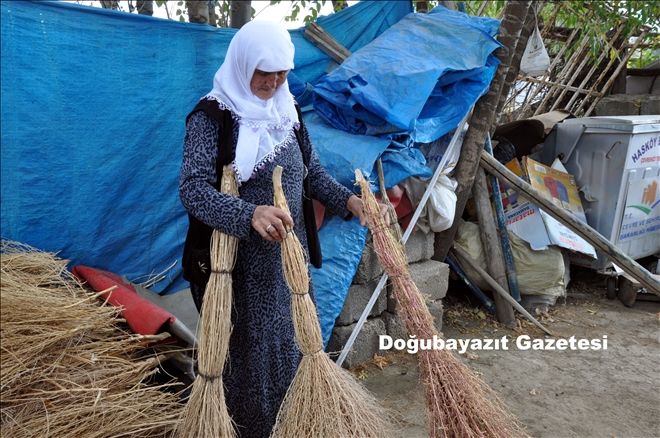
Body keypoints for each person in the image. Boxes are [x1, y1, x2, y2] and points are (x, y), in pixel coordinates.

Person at [178, 20, 378, 438]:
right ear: (243, 64)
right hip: (234, 272)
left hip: (287, 268)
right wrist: (248, 214)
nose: (272, 82)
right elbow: (193, 190)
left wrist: (350, 201)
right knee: (245, 369)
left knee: (288, 356)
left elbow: (313, 175)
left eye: (280, 73)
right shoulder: (211, 117)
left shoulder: (289, 112)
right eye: (262, 72)